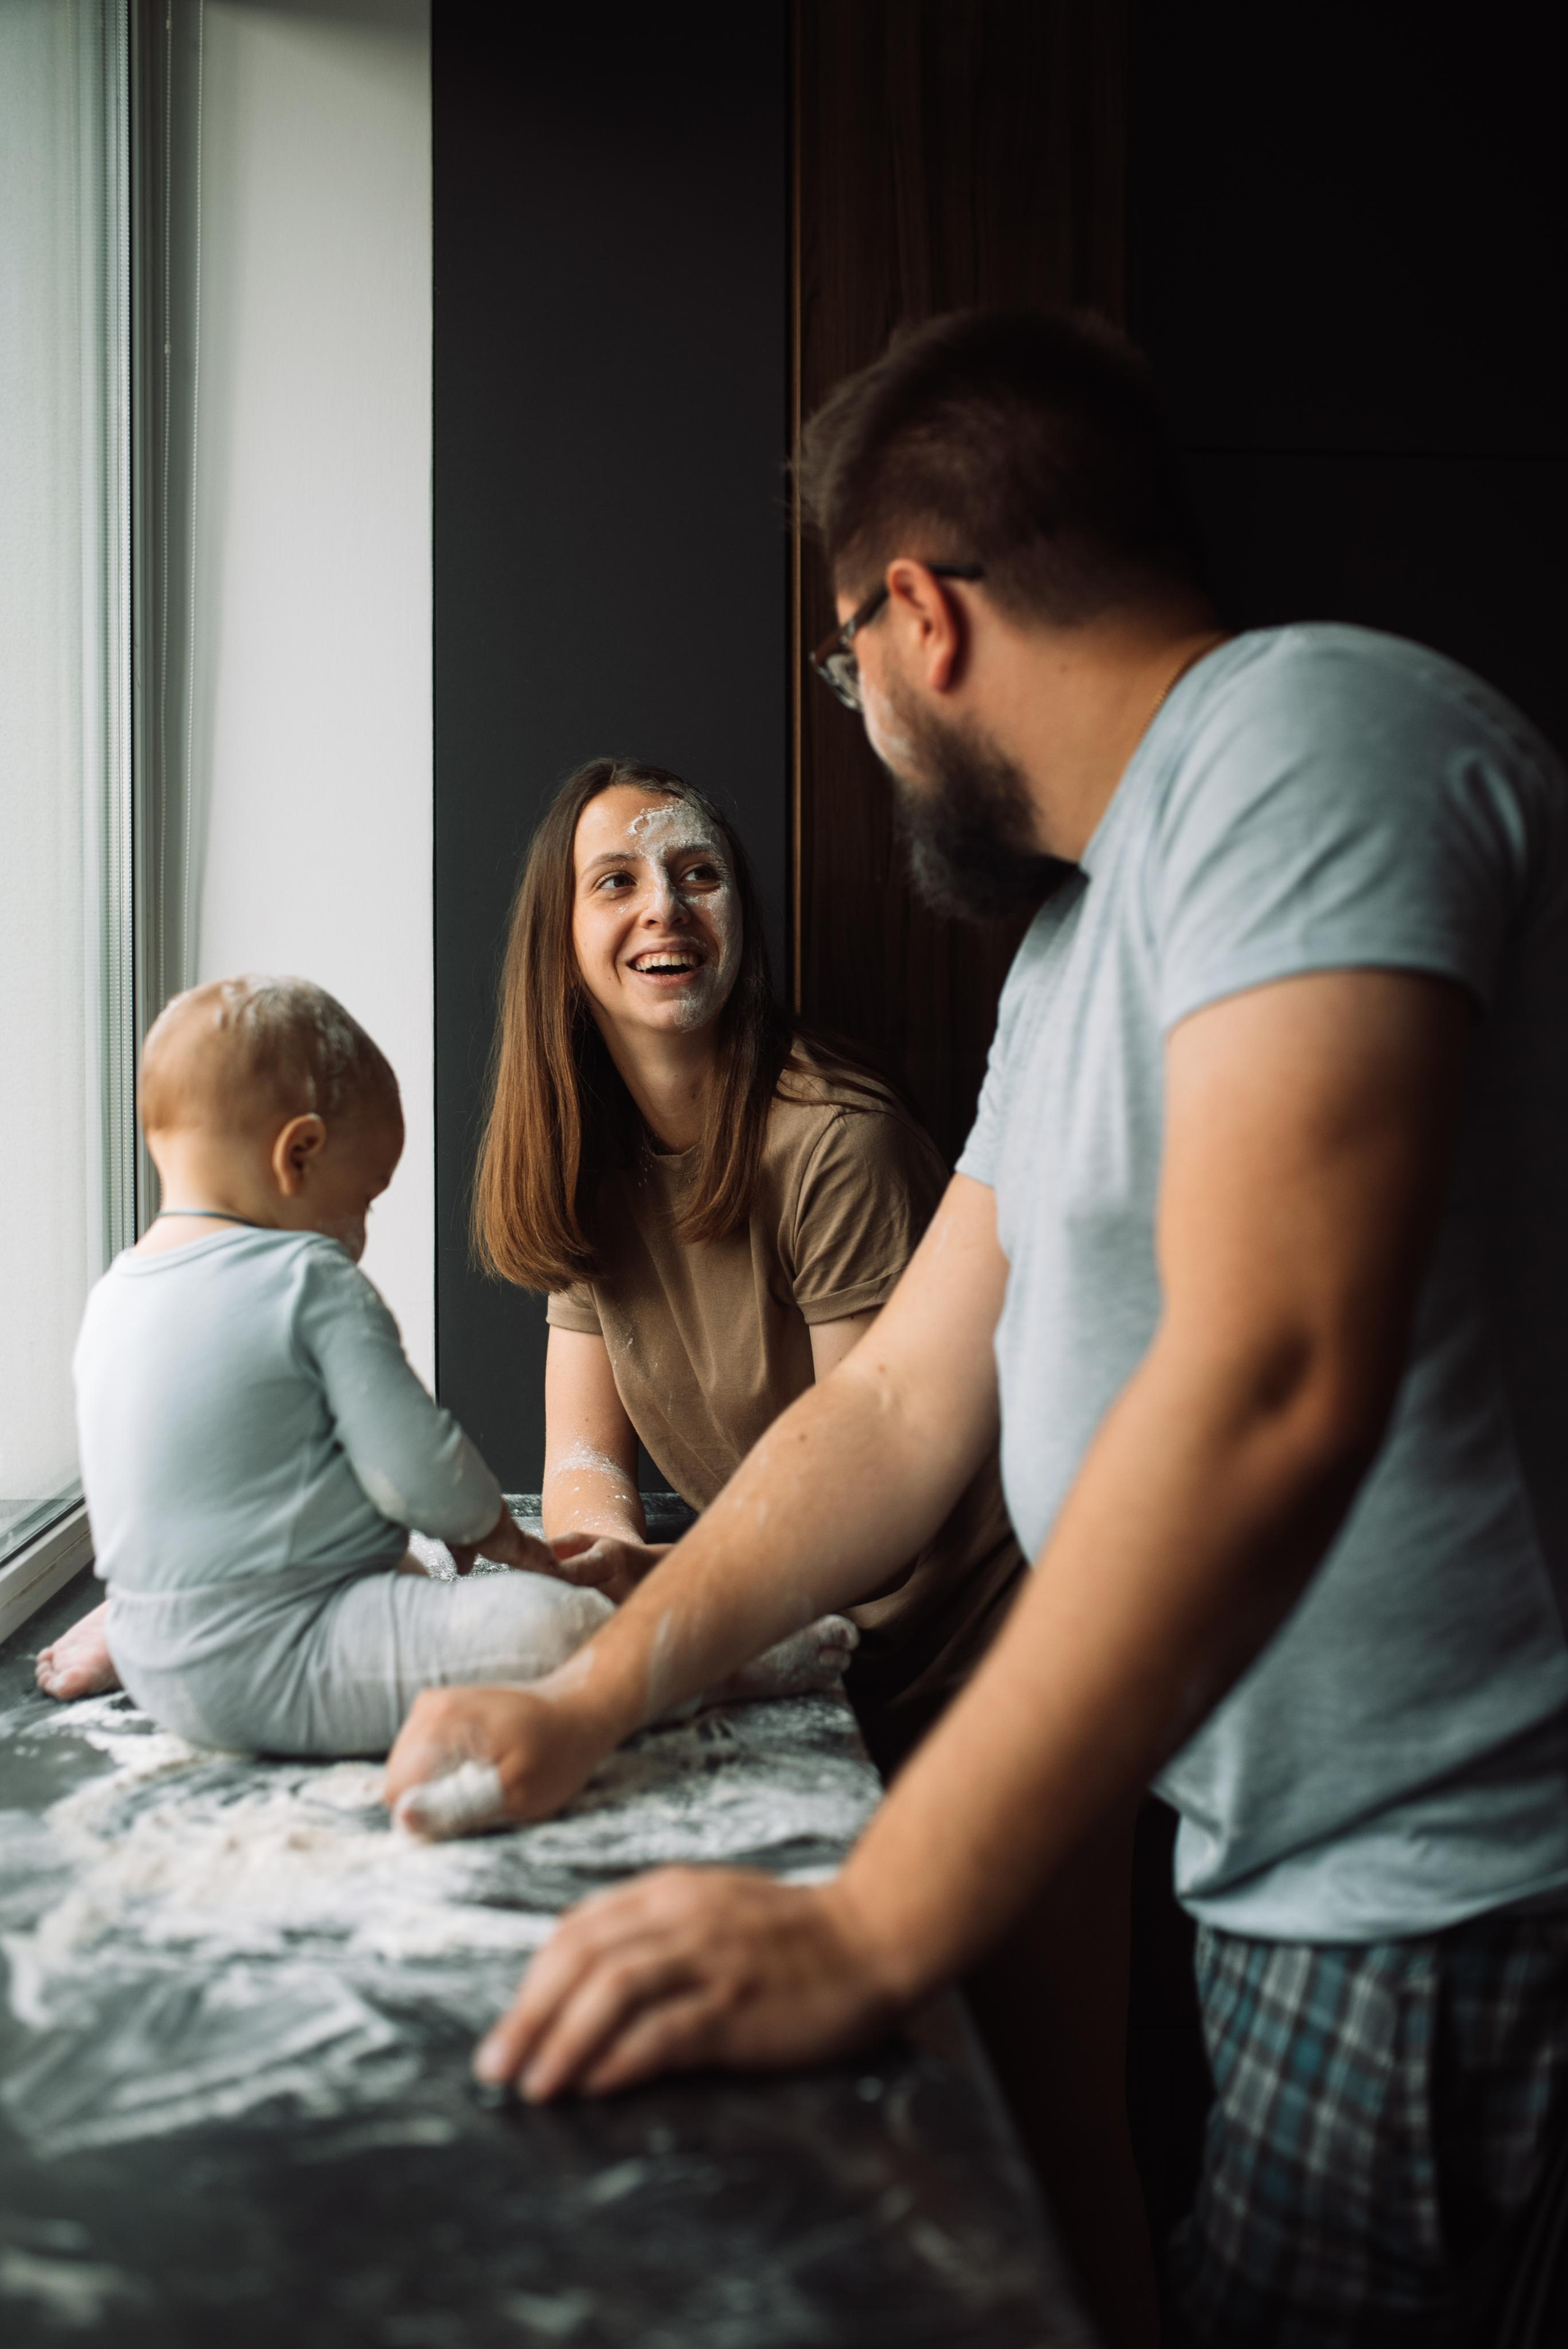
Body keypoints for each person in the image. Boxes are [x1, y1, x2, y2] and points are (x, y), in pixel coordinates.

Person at [384, 305, 1568, 2347]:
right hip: (1302, 1883)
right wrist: (605, 1692)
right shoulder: (1085, 938)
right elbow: (912, 1399)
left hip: (1471, 1894)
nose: (857, 717)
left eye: (847, 670)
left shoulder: (1310, 741)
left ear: (920, 619)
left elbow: (1276, 1373)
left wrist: (876, 1924)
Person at [62, 974, 848, 1769]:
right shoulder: (306, 1276)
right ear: (297, 1154)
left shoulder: (115, 1295)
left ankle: (134, 1638)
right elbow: (412, 1456)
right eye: (363, 1198)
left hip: (163, 1657)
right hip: (291, 1656)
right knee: (552, 1627)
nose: (361, 1232)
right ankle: (713, 1667)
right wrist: (487, 1525)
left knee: (385, 1569)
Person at [469, 753, 1025, 1777]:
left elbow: (883, 1500)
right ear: (562, 941)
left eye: (699, 874)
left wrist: (670, 1596)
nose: (664, 907)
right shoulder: (583, 1156)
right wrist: (605, 1572)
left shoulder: (837, 1141)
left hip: (959, 1661)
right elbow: (584, 1467)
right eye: (617, 881)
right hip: (784, 1626)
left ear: (741, 918)